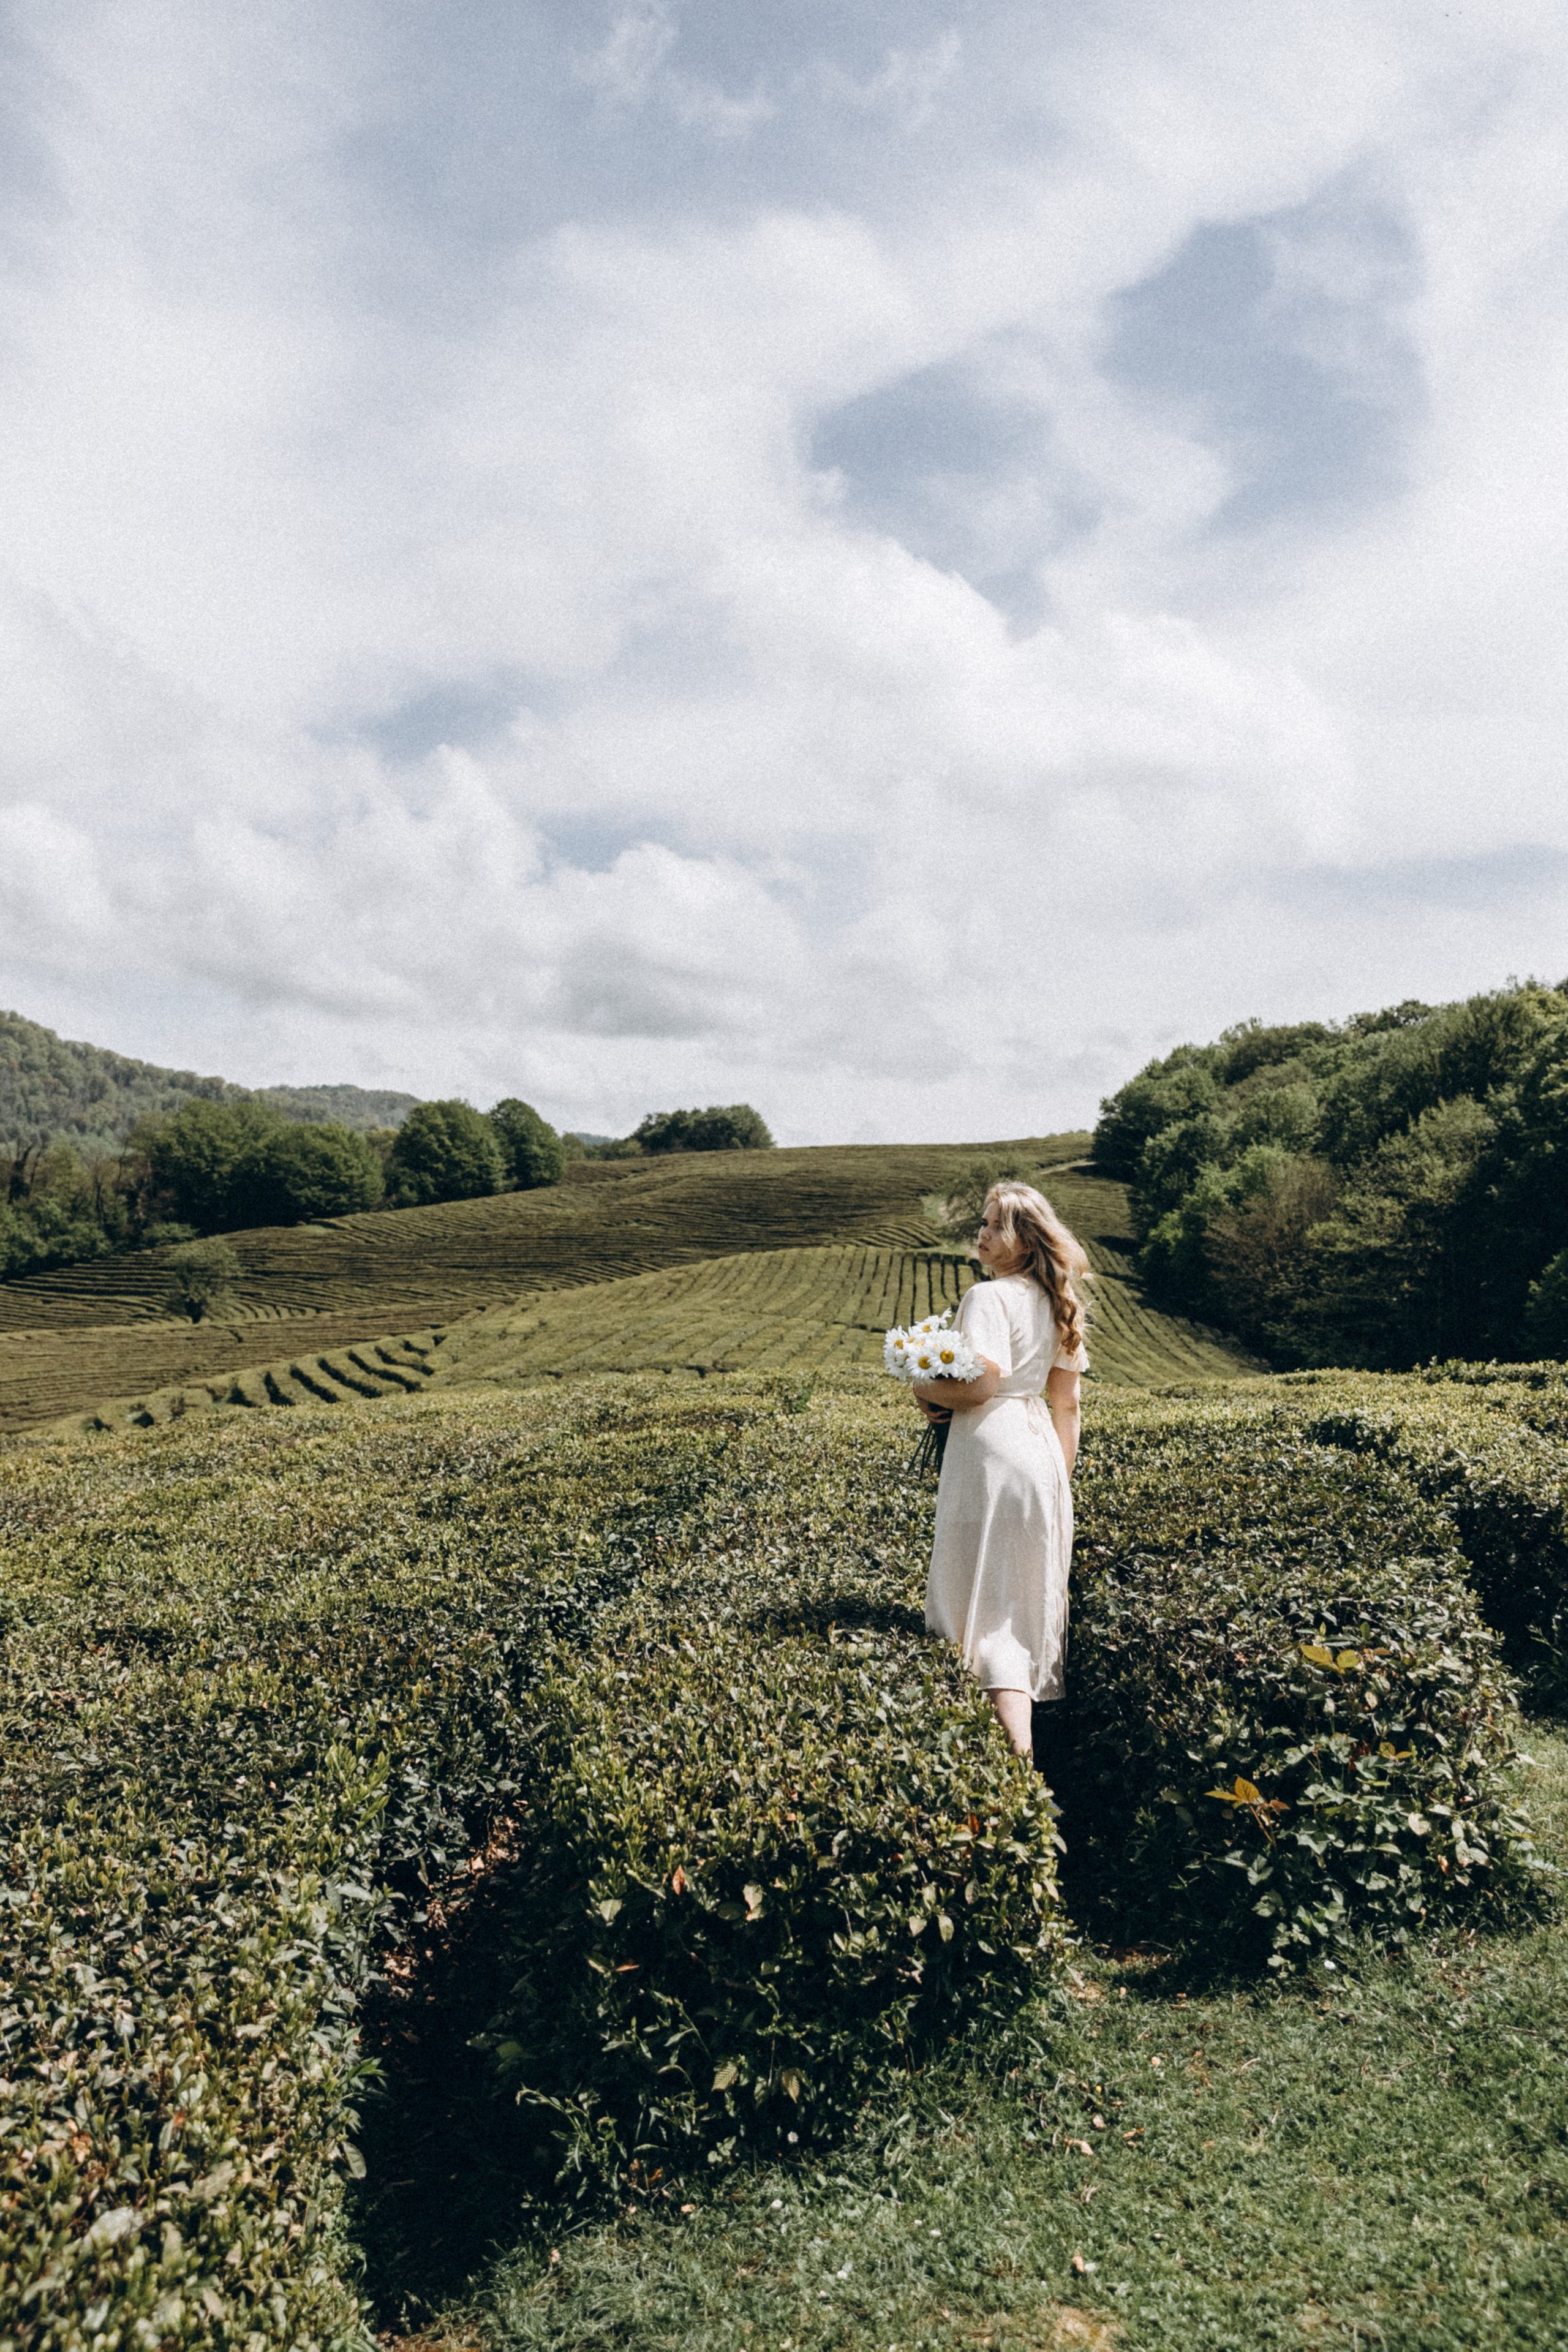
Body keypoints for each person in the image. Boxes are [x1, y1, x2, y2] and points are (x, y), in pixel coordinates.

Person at [913, 1181, 1090, 1759]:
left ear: (1022, 1239)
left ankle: (1009, 1766)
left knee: (978, 1612)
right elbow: (1067, 1404)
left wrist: (923, 1386)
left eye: (993, 1225)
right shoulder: (1059, 1301)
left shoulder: (987, 1299)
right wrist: (1058, 1482)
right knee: (1011, 1615)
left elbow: (983, 1384)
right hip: (1039, 1456)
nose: (981, 1234)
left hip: (990, 1453)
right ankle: (1020, 1762)